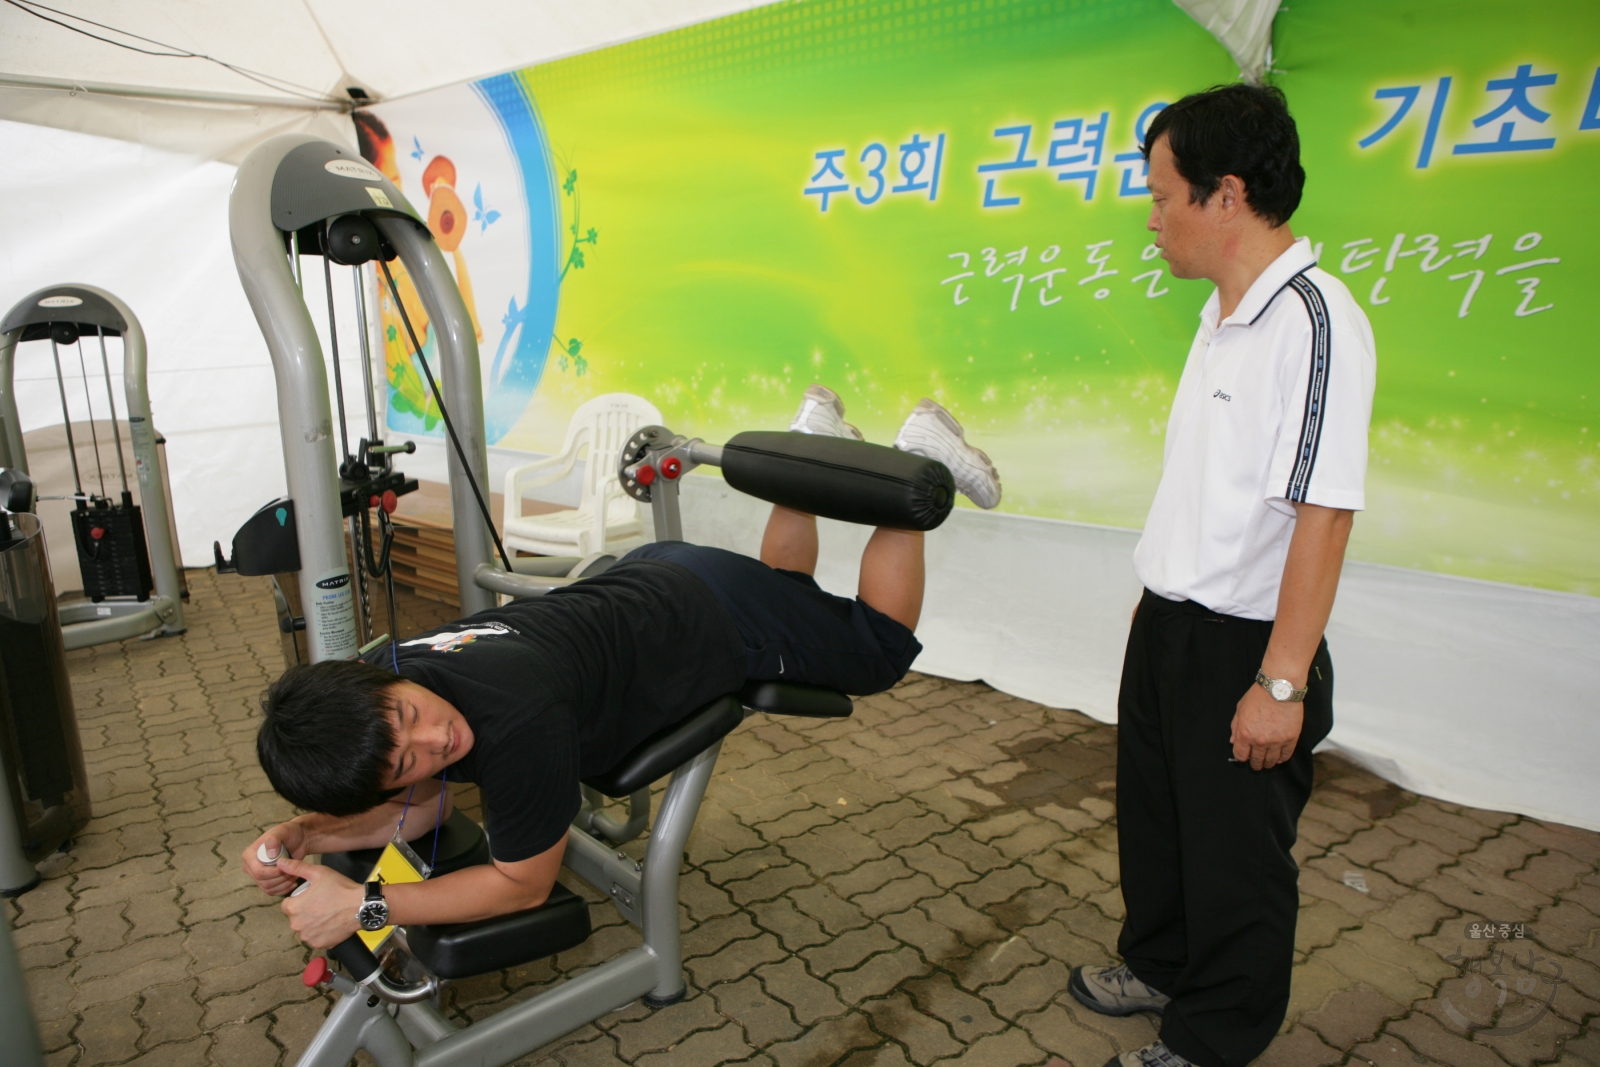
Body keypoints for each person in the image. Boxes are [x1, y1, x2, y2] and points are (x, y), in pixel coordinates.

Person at [242, 390, 1001, 949]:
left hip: (707, 618)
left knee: (875, 650)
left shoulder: (517, 721)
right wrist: (306, 831)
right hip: (655, 574)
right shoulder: (398, 664)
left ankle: (919, 461)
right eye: (403, 758)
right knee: (791, 592)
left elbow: (521, 883)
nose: (435, 739)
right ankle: (810, 442)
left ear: (383, 687)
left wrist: (367, 907)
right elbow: (424, 807)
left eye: (410, 718)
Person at [1066, 85, 1375, 1067]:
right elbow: (1207, 483)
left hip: (1246, 639)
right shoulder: (1218, 313)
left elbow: (1323, 510)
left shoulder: (1316, 323)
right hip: (1171, 618)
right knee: (1158, 818)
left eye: (1162, 198)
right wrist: (1154, 596)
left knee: (1235, 854)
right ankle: (1160, 962)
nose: (1151, 220)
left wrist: (1280, 682)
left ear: (1226, 195)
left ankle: (1213, 1034)